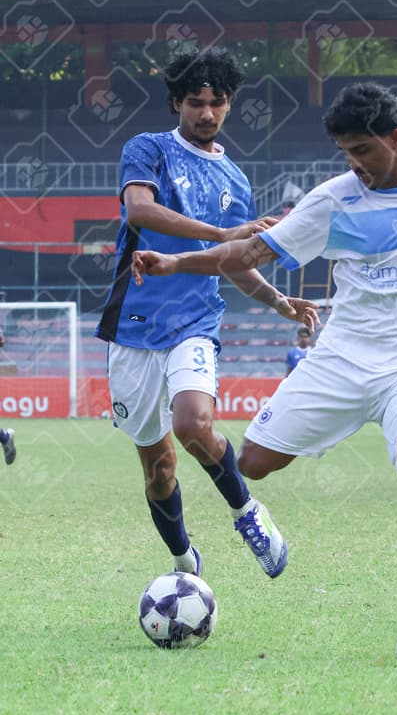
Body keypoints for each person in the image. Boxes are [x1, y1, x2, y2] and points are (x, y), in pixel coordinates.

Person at [131, 82, 397, 660]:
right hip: (341, 359)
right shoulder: (332, 201)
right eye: (346, 154)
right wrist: (175, 262)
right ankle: (280, 490)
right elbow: (248, 255)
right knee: (252, 463)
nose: (356, 166)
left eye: (364, 151)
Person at [96, 47, 317, 581]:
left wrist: (278, 300)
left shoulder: (235, 182)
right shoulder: (146, 148)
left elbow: (233, 263)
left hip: (195, 322)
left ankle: (248, 515)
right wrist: (222, 233)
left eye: (217, 103)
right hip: (132, 327)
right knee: (159, 468)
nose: (207, 114)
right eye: (196, 103)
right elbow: (140, 211)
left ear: (229, 105)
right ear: (177, 102)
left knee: (194, 424)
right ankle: (183, 562)